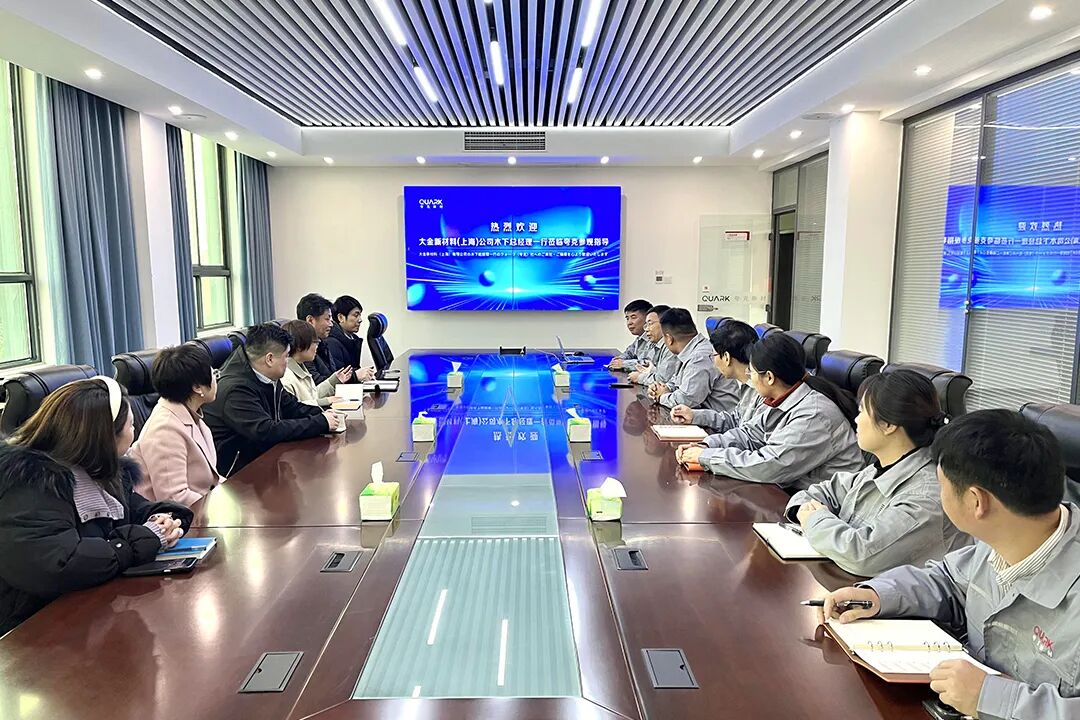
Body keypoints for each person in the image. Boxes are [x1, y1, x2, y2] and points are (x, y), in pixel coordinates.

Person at [817, 410, 1079, 720]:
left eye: (941, 485)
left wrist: (992, 698)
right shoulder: (1005, 537)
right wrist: (879, 595)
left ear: (976, 502)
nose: (937, 494)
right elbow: (949, 580)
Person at [0, 377, 192, 634]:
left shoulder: (100, 471)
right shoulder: (32, 485)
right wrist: (141, 540)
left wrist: (164, 519)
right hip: (30, 630)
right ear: (105, 437)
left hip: (86, 612)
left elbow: (135, 510)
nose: (134, 431)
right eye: (131, 425)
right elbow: (61, 565)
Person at [784, 369, 970, 576]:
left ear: (888, 425)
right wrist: (803, 511)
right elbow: (822, 491)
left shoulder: (925, 496)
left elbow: (860, 555)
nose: (856, 419)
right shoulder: (881, 467)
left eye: (862, 411)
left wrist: (814, 519)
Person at [676, 333, 862, 491]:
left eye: (752, 373)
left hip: (821, 505)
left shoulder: (814, 414)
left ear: (770, 378)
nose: (750, 378)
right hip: (788, 491)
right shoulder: (783, 399)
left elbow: (771, 465)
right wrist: (706, 446)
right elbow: (749, 434)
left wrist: (706, 457)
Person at [203, 323, 342, 476]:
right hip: (238, 474)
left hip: (265, 457)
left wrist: (325, 414)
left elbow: (292, 407)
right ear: (269, 359)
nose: (288, 361)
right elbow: (266, 431)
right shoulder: (235, 389)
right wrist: (320, 422)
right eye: (286, 356)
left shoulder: (266, 374)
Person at [129, 344, 225, 507]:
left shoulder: (188, 413)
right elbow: (174, 497)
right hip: (176, 517)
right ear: (197, 387)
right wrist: (222, 507)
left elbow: (211, 479)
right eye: (213, 374)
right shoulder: (165, 430)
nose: (216, 379)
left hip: (202, 506)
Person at [671, 319, 761, 432]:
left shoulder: (762, 391)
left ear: (726, 358)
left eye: (713, 355)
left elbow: (749, 437)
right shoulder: (747, 385)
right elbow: (734, 421)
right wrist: (694, 416)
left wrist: (708, 442)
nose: (713, 362)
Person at [647, 308, 740, 412]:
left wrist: (661, 397)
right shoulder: (690, 350)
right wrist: (663, 388)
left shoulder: (700, 357)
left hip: (718, 419)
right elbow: (677, 382)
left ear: (669, 339)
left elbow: (686, 400)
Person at [281, 320, 353, 407]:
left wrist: (333, 382)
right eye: (315, 342)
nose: (317, 346)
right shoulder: (286, 377)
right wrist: (325, 401)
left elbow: (313, 395)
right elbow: (294, 408)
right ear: (299, 346)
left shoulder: (301, 367)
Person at [324, 294, 374, 382]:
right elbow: (339, 378)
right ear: (341, 317)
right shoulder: (332, 343)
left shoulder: (352, 339)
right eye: (356, 315)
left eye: (360, 315)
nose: (360, 320)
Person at [627, 304, 678, 386]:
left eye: (650, 324)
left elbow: (662, 380)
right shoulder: (657, 344)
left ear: (664, 323)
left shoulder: (671, 346)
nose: (646, 329)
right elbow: (649, 368)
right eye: (646, 325)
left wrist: (639, 378)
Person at [296, 293, 337, 384]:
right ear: (310, 320)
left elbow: (332, 375)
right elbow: (316, 383)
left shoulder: (322, 343)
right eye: (327, 319)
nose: (331, 324)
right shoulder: (301, 348)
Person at [608, 299, 652, 371]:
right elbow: (628, 353)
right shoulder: (640, 338)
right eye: (627, 318)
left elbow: (650, 365)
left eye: (633, 317)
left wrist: (624, 363)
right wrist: (618, 360)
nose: (629, 323)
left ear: (648, 318)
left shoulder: (654, 338)